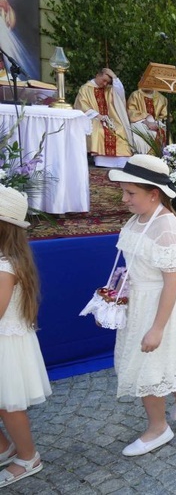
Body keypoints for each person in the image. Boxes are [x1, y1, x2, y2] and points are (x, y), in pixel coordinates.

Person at [107, 155, 176, 456]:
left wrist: (157, 328)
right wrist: (113, 298)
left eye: (130, 193)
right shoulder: (138, 218)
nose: (125, 199)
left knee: (147, 365)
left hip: (161, 303)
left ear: (153, 193)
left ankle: (158, 428)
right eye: (124, 192)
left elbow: (172, 281)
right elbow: (132, 263)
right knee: (152, 362)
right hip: (141, 298)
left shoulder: (166, 227)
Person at [0, 186, 50, 488]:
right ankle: (5, 448)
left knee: (9, 405)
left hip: (7, 344)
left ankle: (28, 456)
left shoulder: (5, 266)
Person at [74, 68, 133, 168]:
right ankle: (101, 161)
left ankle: (120, 161)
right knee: (99, 129)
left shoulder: (109, 90)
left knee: (120, 128)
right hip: (93, 118)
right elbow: (82, 105)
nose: (105, 84)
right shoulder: (85, 88)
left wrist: (114, 76)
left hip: (109, 119)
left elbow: (120, 94)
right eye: (104, 80)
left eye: (108, 82)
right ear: (97, 75)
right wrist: (98, 116)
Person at [127, 88, 168, 155]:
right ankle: (141, 158)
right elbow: (131, 112)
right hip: (139, 122)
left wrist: (156, 123)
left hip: (156, 124)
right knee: (139, 133)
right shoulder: (135, 95)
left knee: (162, 132)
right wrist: (146, 119)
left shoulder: (162, 98)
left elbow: (165, 116)